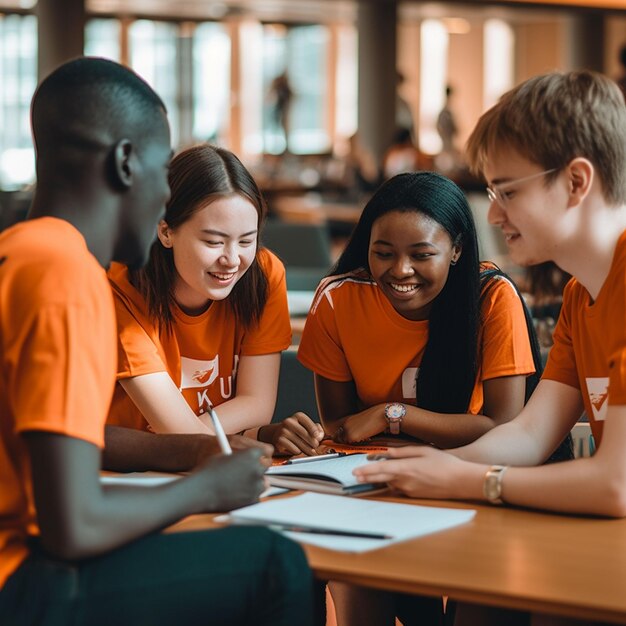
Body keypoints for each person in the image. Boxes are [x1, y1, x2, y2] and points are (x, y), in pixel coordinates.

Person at [0, 57, 315, 626]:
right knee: (280, 564)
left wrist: (195, 455)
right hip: (21, 579)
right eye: (161, 169)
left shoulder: (24, 253)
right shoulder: (67, 277)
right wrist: (204, 487)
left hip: (31, 550)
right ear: (125, 162)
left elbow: (74, 458)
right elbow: (73, 524)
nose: (164, 196)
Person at [354, 70, 626, 626]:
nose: (493, 214)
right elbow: (528, 434)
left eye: (508, 191)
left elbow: (615, 483)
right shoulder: (582, 293)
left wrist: (463, 479)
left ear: (577, 182)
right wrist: (421, 469)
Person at [298, 170, 548, 626]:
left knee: (487, 592)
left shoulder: (492, 297)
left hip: (470, 481)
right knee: (357, 581)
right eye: (383, 253)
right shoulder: (337, 299)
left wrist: (393, 415)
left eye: (422, 254)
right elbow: (339, 426)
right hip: (375, 488)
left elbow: (502, 427)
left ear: (455, 250)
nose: (400, 271)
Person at [106, 142, 324, 456]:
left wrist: (234, 436)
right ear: (166, 231)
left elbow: (257, 404)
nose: (232, 259)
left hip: (201, 460)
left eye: (246, 240)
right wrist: (240, 437)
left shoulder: (263, 274)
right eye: (213, 241)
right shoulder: (122, 288)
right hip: (130, 472)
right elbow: (175, 431)